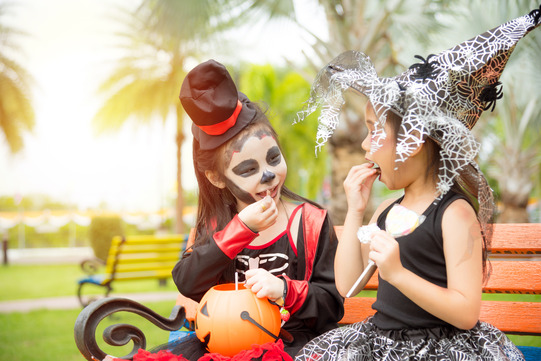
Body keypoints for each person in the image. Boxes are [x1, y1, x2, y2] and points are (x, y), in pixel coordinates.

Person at [294, 7, 540, 361]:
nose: (365, 144)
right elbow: (348, 285)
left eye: (375, 129)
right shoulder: (385, 210)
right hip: (382, 343)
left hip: (440, 347)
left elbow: (467, 311)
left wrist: (397, 273)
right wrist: (355, 210)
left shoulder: (454, 214)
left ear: (414, 137)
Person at [161, 59, 343, 360]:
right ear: (217, 178)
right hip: (225, 349)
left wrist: (285, 290)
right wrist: (240, 229)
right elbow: (188, 282)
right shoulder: (219, 224)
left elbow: (332, 305)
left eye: (273, 158)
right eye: (248, 169)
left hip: (295, 348)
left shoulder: (310, 222)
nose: (268, 175)